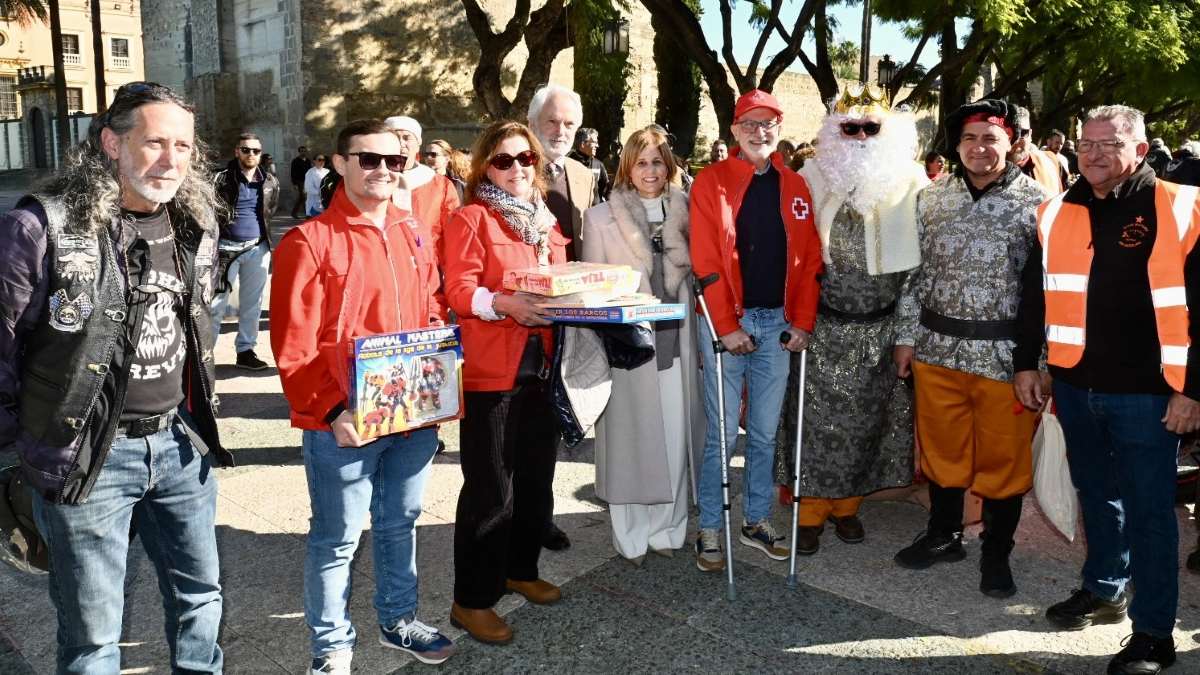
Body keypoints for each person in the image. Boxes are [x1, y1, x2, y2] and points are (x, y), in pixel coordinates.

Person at [0, 81, 230, 673]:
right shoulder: (42, 227)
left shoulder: (193, 224)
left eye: (183, 146)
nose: (172, 160)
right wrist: (14, 457)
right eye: (155, 142)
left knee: (201, 598)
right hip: (87, 458)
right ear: (110, 142)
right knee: (93, 634)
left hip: (181, 445)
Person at [1013, 104, 1199, 675]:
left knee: (1149, 511)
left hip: (1151, 394)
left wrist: (1192, 390)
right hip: (1074, 386)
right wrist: (1030, 363)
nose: (1093, 153)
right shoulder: (1056, 209)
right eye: (1085, 143)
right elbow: (1037, 295)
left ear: (1139, 150)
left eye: (1109, 144)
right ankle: (1105, 588)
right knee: (1098, 496)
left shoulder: (1181, 206)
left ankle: (1154, 634)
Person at [270, 118, 455, 673]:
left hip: (411, 414)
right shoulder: (309, 241)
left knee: (401, 521)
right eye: (368, 159)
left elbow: (431, 309)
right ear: (340, 162)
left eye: (393, 161)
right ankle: (331, 647)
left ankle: (399, 619)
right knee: (337, 538)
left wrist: (437, 379)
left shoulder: (413, 231)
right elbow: (292, 341)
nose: (382, 170)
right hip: (342, 419)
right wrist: (330, 408)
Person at [892, 99, 1049, 599]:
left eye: (991, 139)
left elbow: (1049, 291)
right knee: (942, 453)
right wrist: (906, 336)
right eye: (970, 140)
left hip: (1005, 360)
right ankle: (944, 535)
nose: (980, 149)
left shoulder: (1040, 205)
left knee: (1004, 462)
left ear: (1013, 144)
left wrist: (1039, 363)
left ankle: (997, 552)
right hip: (936, 351)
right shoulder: (931, 199)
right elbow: (914, 276)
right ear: (956, 146)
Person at [774, 83, 926, 555]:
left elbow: (917, 275)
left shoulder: (913, 183)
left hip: (881, 332)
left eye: (870, 127)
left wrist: (905, 338)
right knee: (816, 425)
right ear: (833, 131)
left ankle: (848, 509)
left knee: (869, 423)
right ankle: (812, 512)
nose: (860, 136)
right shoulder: (811, 177)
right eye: (849, 127)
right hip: (820, 326)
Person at [441, 120, 569, 644]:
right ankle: (471, 600)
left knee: (536, 480)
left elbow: (562, 281)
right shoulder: (471, 217)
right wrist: (504, 305)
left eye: (526, 159)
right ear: (484, 167)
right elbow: (458, 290)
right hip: (493, 372)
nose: (517, 168)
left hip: (543, 368)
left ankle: (520, 568)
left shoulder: (545, 221)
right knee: (491, 490)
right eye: (503, 160)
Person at [689, 89, 822, 571]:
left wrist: (804, 322)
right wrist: (726, 327)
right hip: (729, 323)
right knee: (722, 435)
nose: (759, 131)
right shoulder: (712, 182)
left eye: (768, 123)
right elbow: (705, 260)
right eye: (750, 123)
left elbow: (810, 263)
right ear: (734, 130)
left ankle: (756, 519)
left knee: (764, 434)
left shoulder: (796, 186)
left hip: (778, 324)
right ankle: (709, 525)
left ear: (779, 130)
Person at [579, 126, 703, 565]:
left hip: (678, 345)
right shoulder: (599, 218)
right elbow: (590, 293)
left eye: (657, 161)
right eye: (641, 160)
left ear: (669, 165)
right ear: (627, 166)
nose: (650, 170)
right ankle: (629, 532)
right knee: (631, 441)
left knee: (673, 439)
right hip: (627, 350)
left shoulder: (688, 212)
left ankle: (669, 529)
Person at [527, 83, 596, 551]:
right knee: (521, 426)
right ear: (533, 122)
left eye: (569, 123)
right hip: (522, 317)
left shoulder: (583, 174)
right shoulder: (513, 166)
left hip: (571, 319)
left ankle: (541, 516)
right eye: (552, 121)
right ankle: (517, 517)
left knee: (552, 423)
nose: (560, 130)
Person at [211, 131, 280, 370]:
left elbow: (270, 210)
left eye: (256, 151)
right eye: (246, 150)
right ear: (237, 151)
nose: (251, 154)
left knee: (253, 304)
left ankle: (246, 350)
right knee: (215, 304)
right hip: (224, 249)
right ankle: (205, 355)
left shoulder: (269, 180)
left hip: (258, 248)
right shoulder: (219, 178)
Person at [382, 116, 461, 263]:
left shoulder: (440, 184)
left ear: (418, 144)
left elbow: (454, 233)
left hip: (429, 266)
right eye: (394, 137)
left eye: (407, 138)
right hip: (383, 265)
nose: (401, 143)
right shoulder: (372, 181)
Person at [1010, 106, 1068, 194]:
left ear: (1030, 134)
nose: (1016, 140)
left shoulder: (1053, 162)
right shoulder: (985, 168)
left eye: (1023, 133)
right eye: (1010, 133)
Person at [568, 127, 611, 203]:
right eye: (594, 142)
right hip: (572, 211)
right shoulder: (567, 162)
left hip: (594, 212)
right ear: (583, 144)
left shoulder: (598, 165)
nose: (597, 146)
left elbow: (606, 189)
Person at [290, 145, 312, 218]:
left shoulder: (308, 161)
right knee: (303, 196)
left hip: (307, 181)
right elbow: (292, 172)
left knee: (302, 197)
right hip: (299, 181)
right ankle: (307, 213)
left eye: (304, 151)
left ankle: (294, 212)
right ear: (299, 152)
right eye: (301, 151)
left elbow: (310, 171)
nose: (303, 152)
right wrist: (294, 183)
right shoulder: (295, 161)